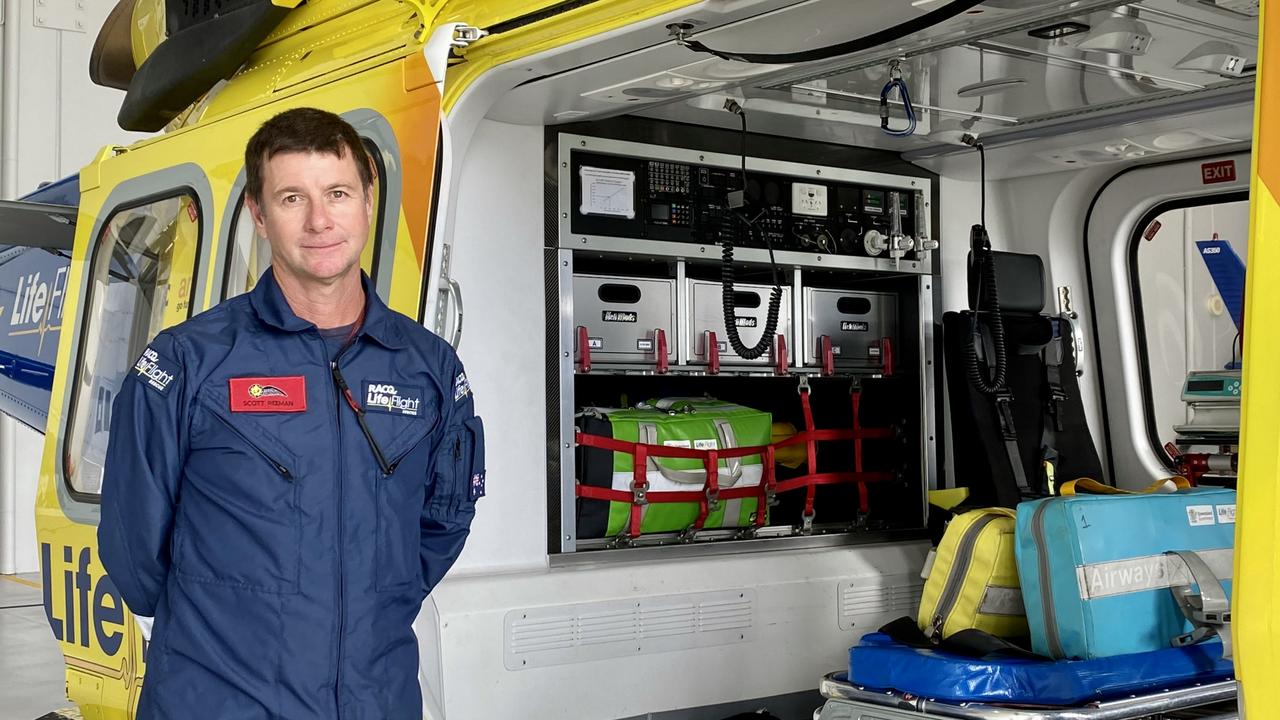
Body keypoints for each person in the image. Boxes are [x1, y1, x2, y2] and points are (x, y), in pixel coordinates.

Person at [98, 107, 485, 719]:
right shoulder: (187, 363)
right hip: (219, 701)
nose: (319, 221)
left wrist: (361, 607)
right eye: (290, 198)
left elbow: (443, 521)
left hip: (375, 701)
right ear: (258, 213)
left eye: (336, 192)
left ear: (367, 199)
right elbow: (133, 550)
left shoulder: (429, 367)